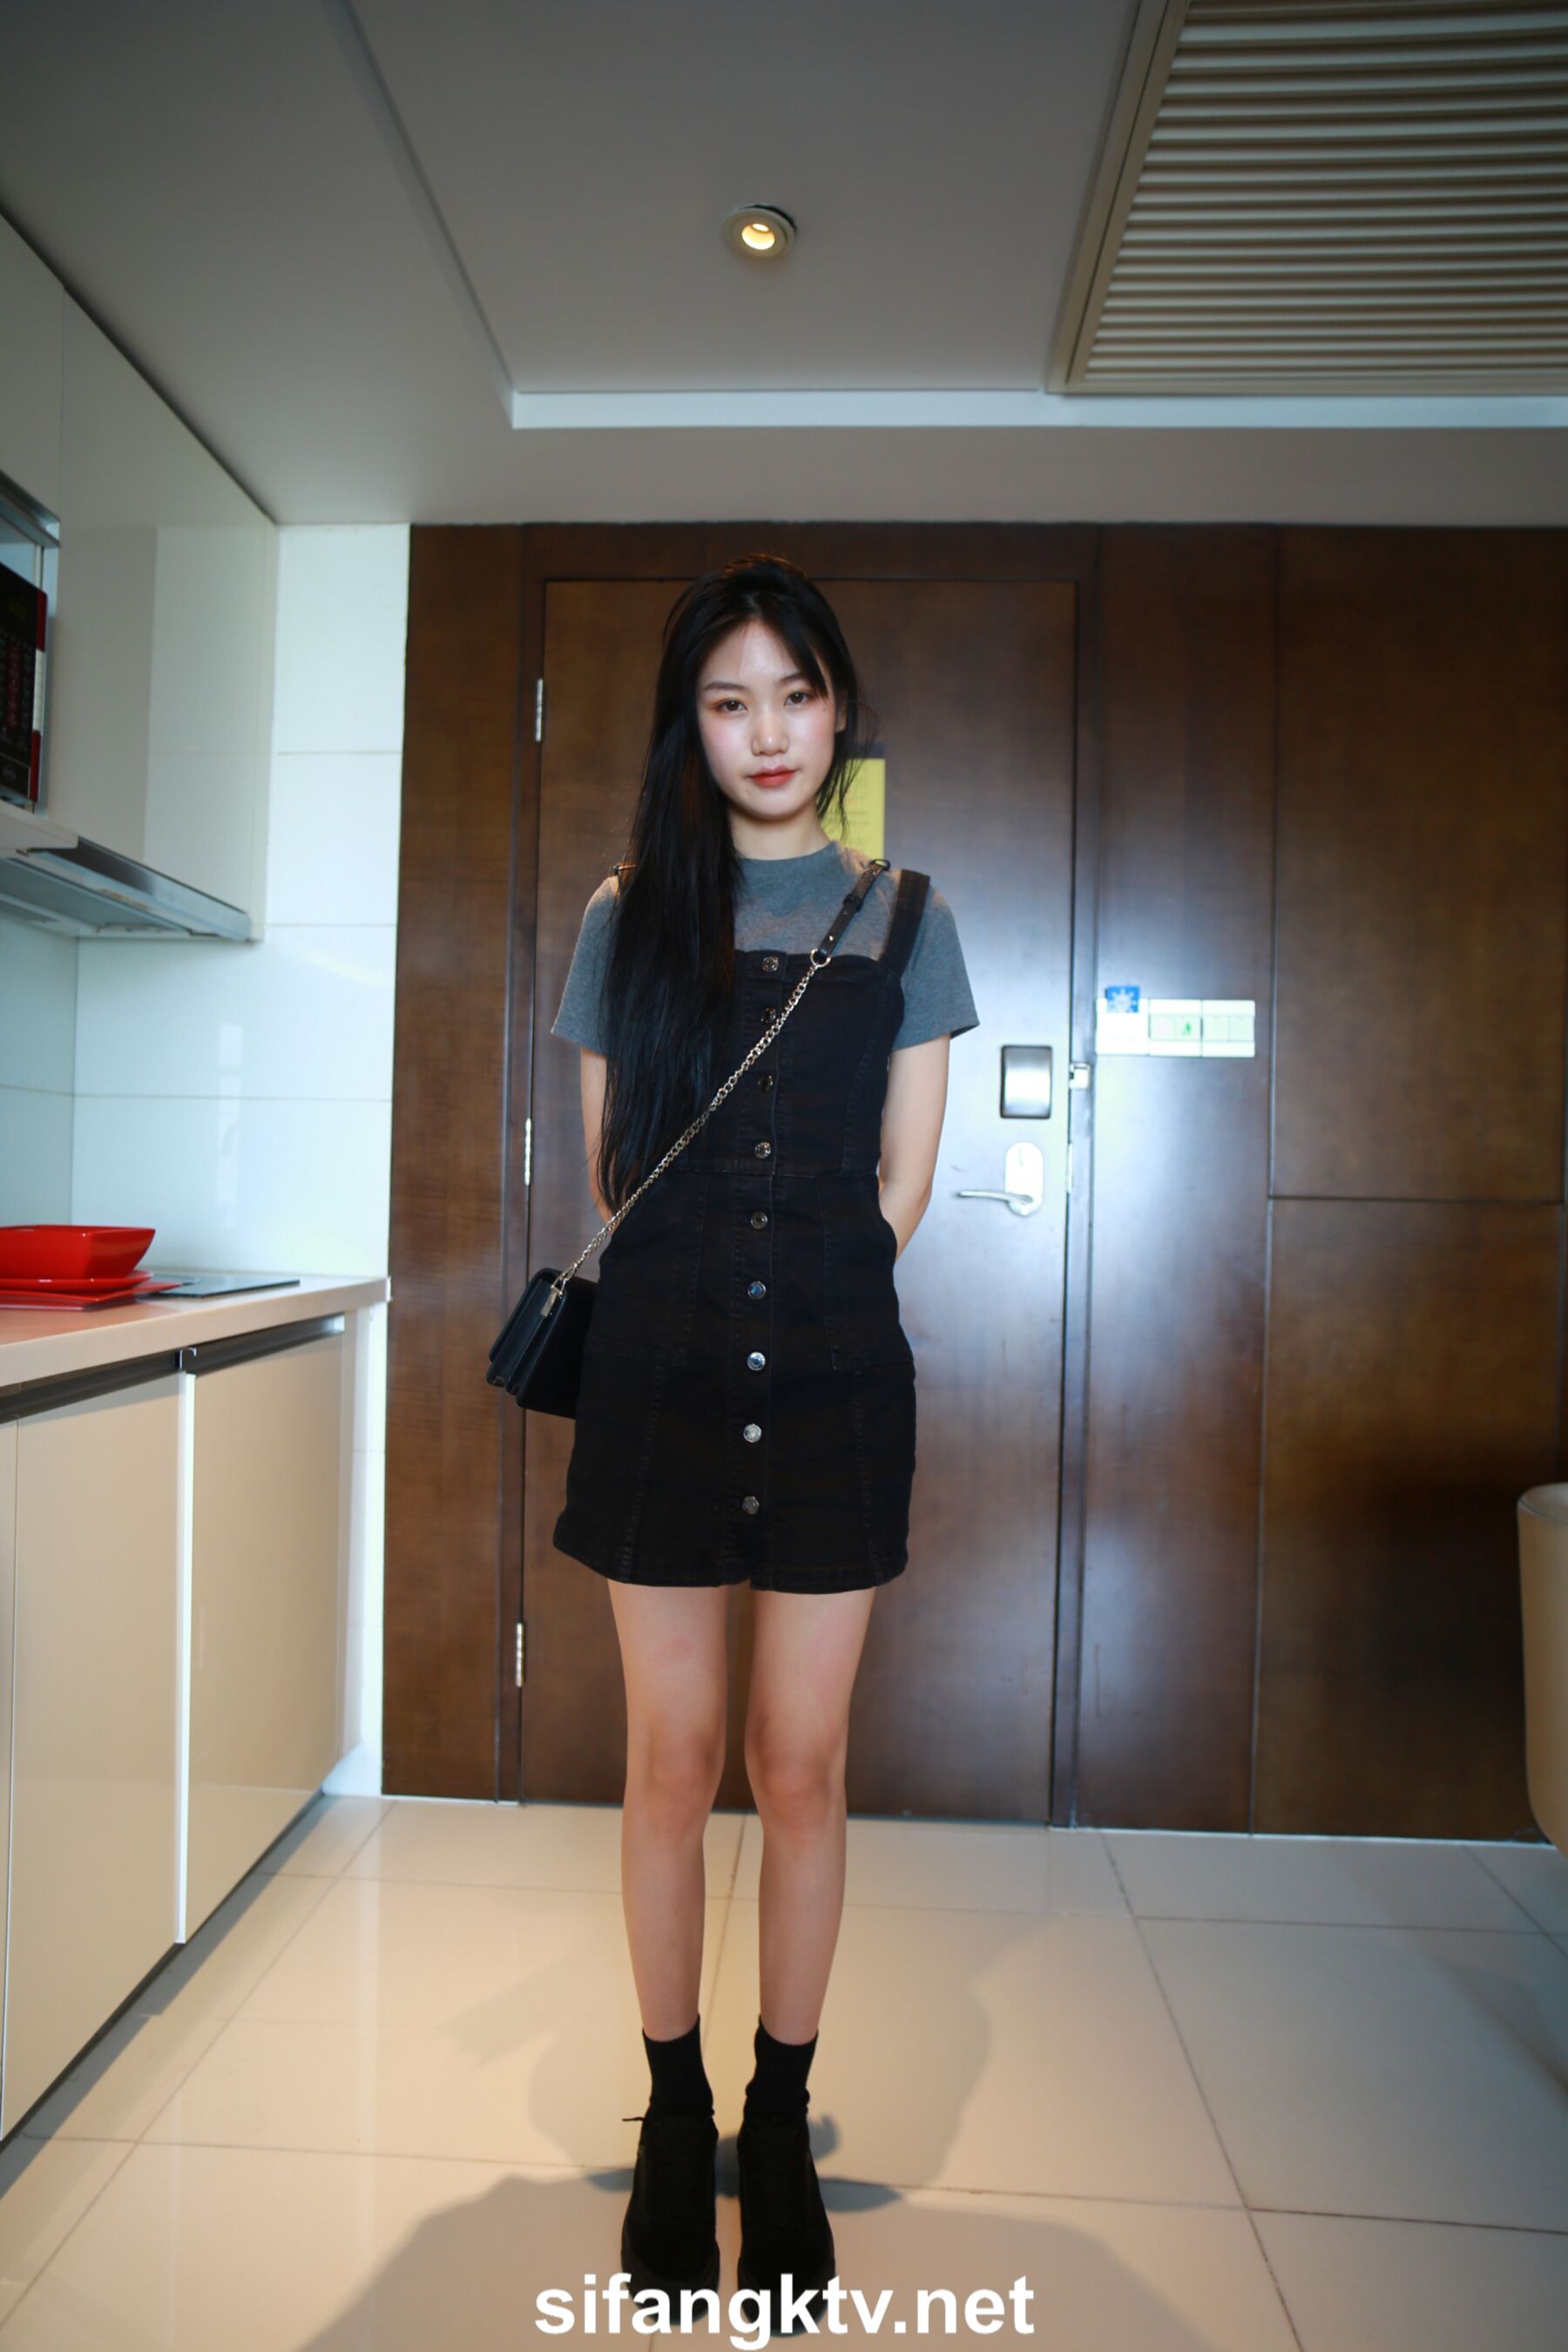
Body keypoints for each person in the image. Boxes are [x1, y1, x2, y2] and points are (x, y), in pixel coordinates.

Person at [548, 551, 978, 2327]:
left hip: (831, 1382)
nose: (768, 732)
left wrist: (795, 1294)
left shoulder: (909, 916)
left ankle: (778, 2121)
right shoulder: (625, 914)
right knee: (672, 1757)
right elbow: (611, 1173)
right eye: (729, 702)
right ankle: (675, 2116)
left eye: (794, 695)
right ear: (692, 727)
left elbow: (903, 1186)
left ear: (837, 706)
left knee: (798, 1765)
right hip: (654, 1377)